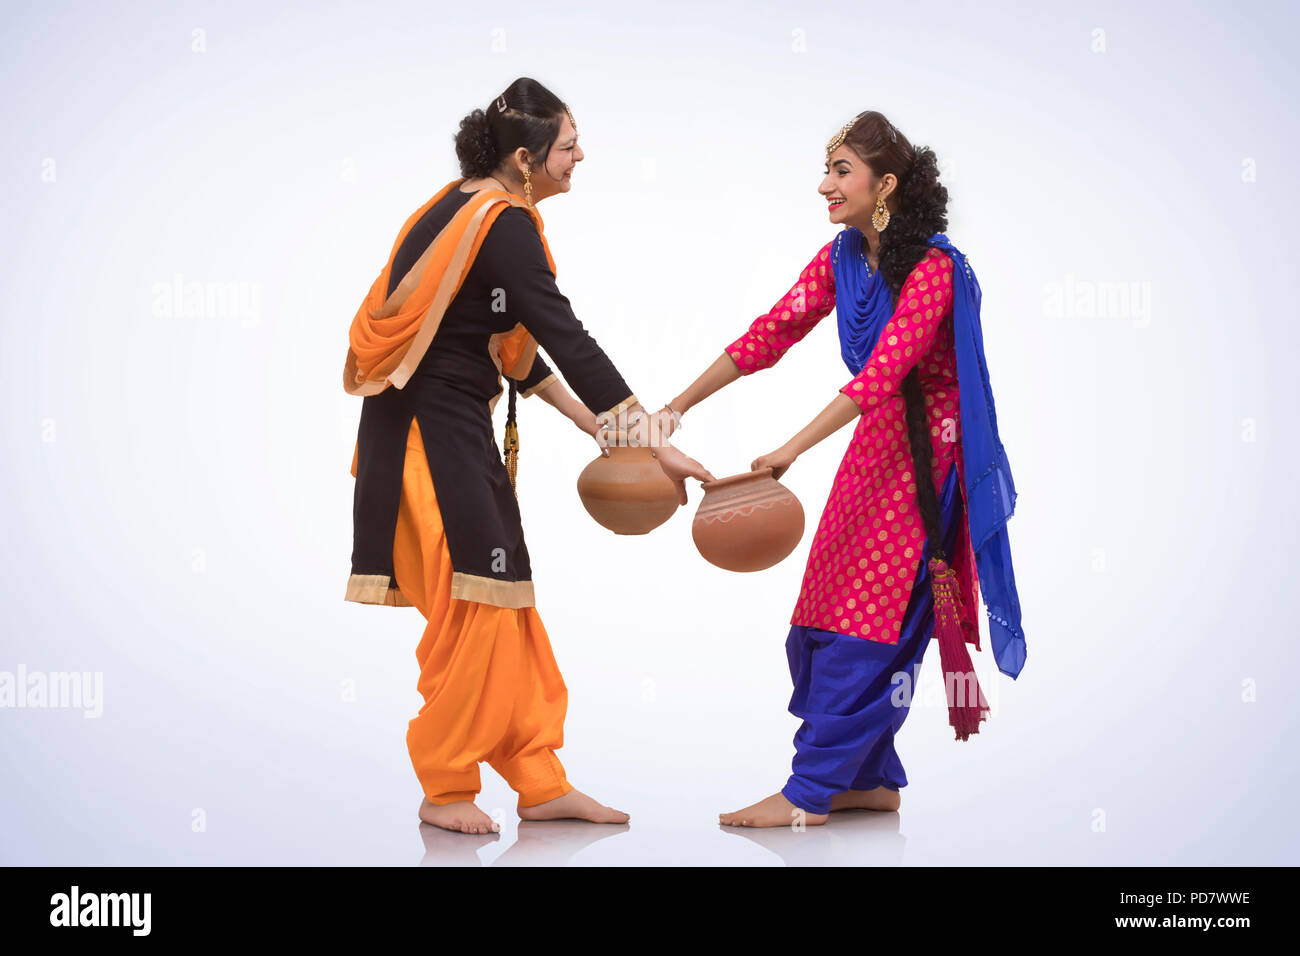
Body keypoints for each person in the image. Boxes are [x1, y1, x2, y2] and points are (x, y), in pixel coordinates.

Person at [342, 78, 712, 834]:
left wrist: (597, 428)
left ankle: (539, 780)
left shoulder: (464, 207)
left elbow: (507, 347)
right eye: (569, 145)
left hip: (451, 429)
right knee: (475, 603)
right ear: (524, 157)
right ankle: (443, 783)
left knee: (506, 601)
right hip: (426, 436)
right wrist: (649, 436)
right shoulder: (501, 221)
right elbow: (563, 332)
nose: (580, 157)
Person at [652, 111, 1027, 827]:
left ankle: (810, 792)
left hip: (928, 462)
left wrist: (791, 447)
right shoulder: (843, 259)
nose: (825, 184)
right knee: (822, 613)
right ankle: (868, 777)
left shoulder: (936, 270)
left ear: (885, 184)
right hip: (872, 452)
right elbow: (770, 333)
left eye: (841, 171)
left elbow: (883, 375)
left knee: (869, 620)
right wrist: (676, 406)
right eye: (827, 170)